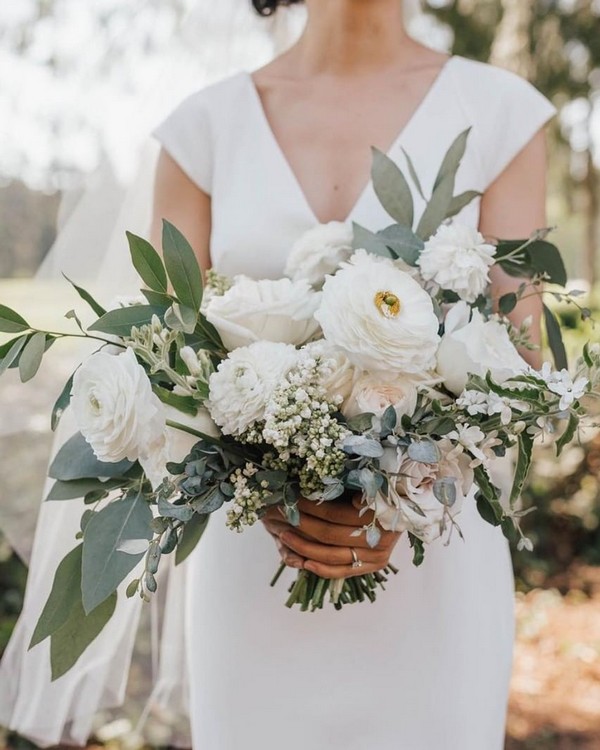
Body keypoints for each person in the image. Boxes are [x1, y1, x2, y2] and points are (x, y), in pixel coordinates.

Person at [150, 0, 556, 748]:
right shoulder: (202, 132)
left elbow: (521, 368)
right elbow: (168, 369)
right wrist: (267, 488)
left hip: (435, 564)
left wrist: (407, 487)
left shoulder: (500, 115)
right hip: (256, 564)